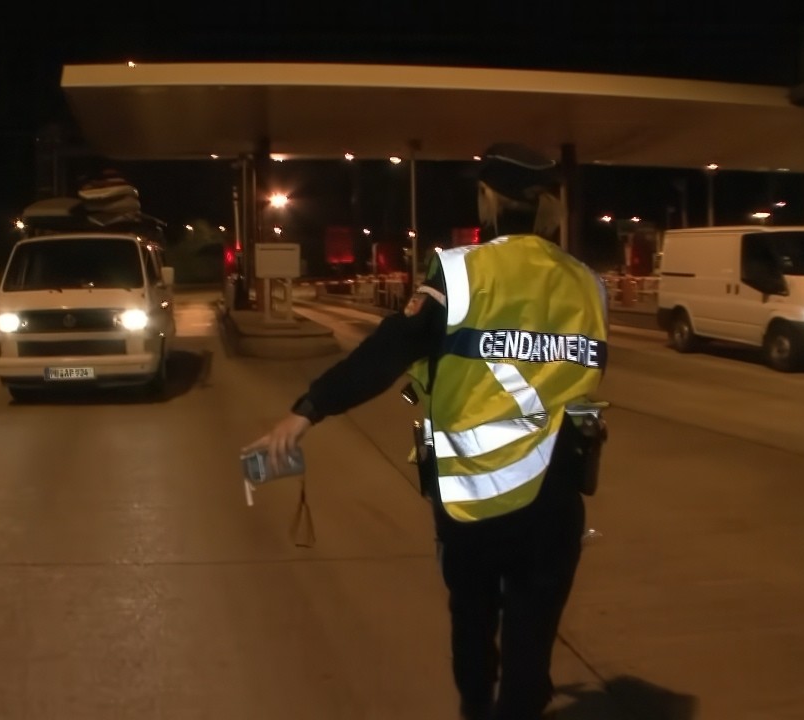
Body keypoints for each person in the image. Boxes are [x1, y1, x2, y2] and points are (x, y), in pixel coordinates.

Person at [242, 143, 609, 720]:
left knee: (473, 620)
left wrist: (307, 409)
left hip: (474, 501)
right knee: (531, 642)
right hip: (558, 490)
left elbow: (388, 353)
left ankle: (476, 706)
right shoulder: (587, 282)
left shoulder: (463, 270)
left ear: (487, 198)